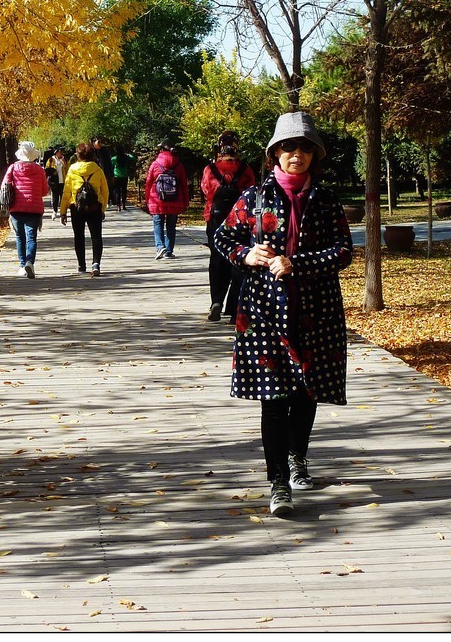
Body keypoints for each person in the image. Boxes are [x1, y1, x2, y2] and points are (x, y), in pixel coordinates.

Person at [213, 111, 353, 518]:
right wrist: (247, 254)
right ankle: (277, 482)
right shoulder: (254, 198)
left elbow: (344, 251)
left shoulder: (325, 201)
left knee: (307, 391)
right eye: (289, 147)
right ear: (275, 153)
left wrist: (298, 263)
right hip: (263, 312)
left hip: (316, 310)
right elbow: (223, 238)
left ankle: (297, 458)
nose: (297, 154)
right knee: (273, 397)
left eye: (305, 148)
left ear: (314, 155)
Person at [201, 130, 256, 322]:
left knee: (217, 259)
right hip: (240, 220)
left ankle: (216, 300)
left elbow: (206, 190)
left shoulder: (210, 169)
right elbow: (251, 192)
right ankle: (234, 308)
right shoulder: (245, 169)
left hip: (215, 217)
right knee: (240, 260)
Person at [59, 141, 109, 277]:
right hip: (95, 207)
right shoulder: (98, 170)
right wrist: (102, 208)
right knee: (96, 237)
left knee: (79, 236)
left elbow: (66, 192)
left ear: (78, 155)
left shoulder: (72, 170)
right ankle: (96, 263)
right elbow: (105, 191)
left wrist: (63, 212)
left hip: (76, 207)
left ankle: (81, 264)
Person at [0, 141, 50, 278]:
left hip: (16, 207)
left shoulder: (13, 168)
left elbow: (5, 185)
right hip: (34, 208)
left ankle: (22, 265)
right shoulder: (40, 170)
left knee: (19, 237)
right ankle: (30, 262)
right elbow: (44, 191)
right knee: (31, 237)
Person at [144, 142, 189, 260]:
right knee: (171, 225)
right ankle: (169, 251)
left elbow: (148, 183)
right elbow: (184, 184)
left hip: (157, 199)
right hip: (175, 199)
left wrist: (147, 199)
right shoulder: (179, 165)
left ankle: (160, 247)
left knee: (158, 222)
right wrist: (186, 202)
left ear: (162, 151)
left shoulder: (155, 164)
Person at [91, 136, 114, 208]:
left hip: (104, 173)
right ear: (93, 143)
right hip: (93, 175)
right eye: (98, 142)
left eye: (101, 142)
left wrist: (111, 174)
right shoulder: (90, 152)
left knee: (104, 189)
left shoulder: (105, 151)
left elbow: (109, 163)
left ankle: (104, 202)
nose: (100, 144)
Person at [110, 144, 133, 212]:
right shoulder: (126, 157)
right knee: (124, 191)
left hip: (116, 177)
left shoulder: (114, 158)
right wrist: (128, 154)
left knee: (117, 191)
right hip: (124, 177)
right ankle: (124, 205)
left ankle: (118, 206)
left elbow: (111, 166)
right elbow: (133, 158)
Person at [46, 147, 68, 219]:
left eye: (61, 152)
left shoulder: (64, 159)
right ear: (56, 153)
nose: (60, 153)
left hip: (63, 181)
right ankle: (54, 211)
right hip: (54, 182)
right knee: (55, 198)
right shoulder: (51, 160)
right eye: (59, 152)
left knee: (62, 198)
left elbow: (68, 169)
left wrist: (64, 165)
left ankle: (63, 212)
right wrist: (52, 172)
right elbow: (47, 170)